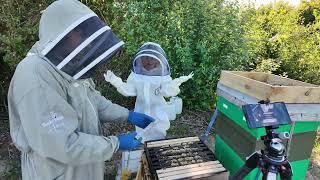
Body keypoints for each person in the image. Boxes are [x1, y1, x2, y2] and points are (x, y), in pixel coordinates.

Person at [7, 0, 154, 180]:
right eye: (80, 33)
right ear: (62, 32)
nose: (85, 40)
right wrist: (115, 144)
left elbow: (93, 101)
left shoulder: (69, 64)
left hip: (86, 164)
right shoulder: (35, 74)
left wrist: (127, 114)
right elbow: (59, 144)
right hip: (58, 171)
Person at [105, 42, 193, 142]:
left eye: (152, 58)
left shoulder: (161, 76)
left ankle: (157, 146)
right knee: (142, 134)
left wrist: (178, 81)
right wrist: (115, 81)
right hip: (141, 110)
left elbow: (167, 90)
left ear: (158, 59)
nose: (149, 61)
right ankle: (144, 147)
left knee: (159, 133)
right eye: (146, 58)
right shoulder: (136, 76)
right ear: (140, 58)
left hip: (158, 110)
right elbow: (129, 90)